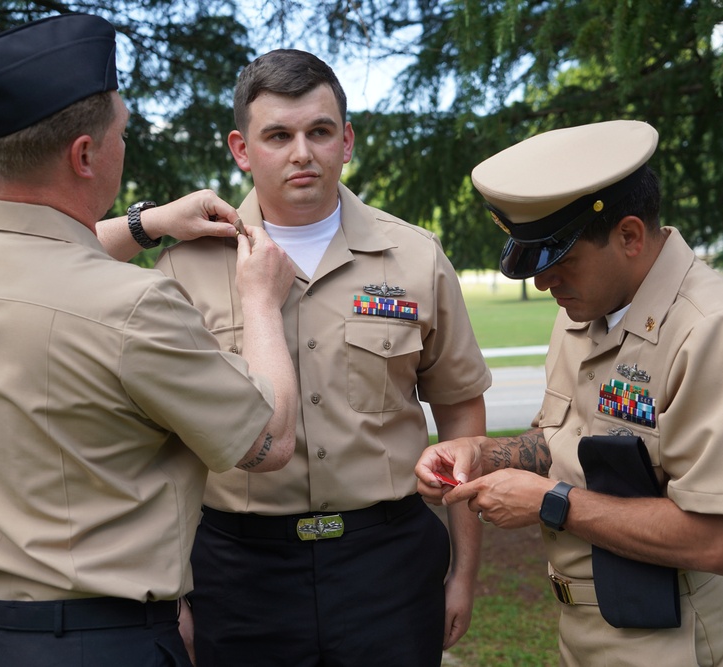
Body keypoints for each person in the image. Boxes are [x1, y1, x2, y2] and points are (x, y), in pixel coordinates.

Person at [0, 14, 297, 667]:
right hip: (97, 644)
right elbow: (269, 442)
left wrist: (146, 224)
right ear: (85, 154)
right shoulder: (134, 306)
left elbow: (44, 266)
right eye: (122, 132)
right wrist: (260, 300)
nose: (127, 144)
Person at [146, 49, 490, 666]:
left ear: (347, 140)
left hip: (388, 565)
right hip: (237, 573)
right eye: (278, 135)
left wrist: (464, 570)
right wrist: (172, 594)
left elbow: (461, 410)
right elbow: (155, 447)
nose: (302, 152)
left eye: (319, 131)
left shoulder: (413, 258)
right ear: (242, 149)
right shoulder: (185, 269)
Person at [415, 120, 723, 666]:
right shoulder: (585, 307)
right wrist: (483, 454)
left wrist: (549, 503)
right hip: (584, 628)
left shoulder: (715, 328)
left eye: (561, 262)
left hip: (673, 638)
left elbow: (715, 542)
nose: (545, 284)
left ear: (630, 236)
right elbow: (562, 441)